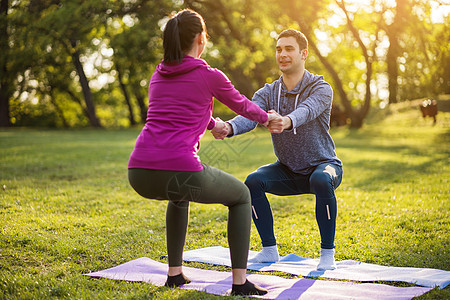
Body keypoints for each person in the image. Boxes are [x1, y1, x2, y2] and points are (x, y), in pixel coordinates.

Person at [127, 9, 270, 296]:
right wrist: (268, 119)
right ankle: (240, 283)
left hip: (139, 171)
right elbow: (242, 105)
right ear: (201, 39)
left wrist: (213, 124)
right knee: (241, 196)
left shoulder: (159, 72)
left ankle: (175, 273)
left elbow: (175, 109)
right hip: (179, 166)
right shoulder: (208, 74)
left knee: (178, 196)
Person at [212, 29, 343, 270]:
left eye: (289, 49)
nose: (282, 54)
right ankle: (269, 251)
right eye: (278, 49)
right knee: (253, 182)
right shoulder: (268, 92)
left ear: (304, 54)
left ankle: (327, 254)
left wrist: (286, 121)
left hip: (324, 166)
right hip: (289, 170)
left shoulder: (321, 88)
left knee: (322, 180)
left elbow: (307, 110)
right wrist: (228, 127)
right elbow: (249, 115)